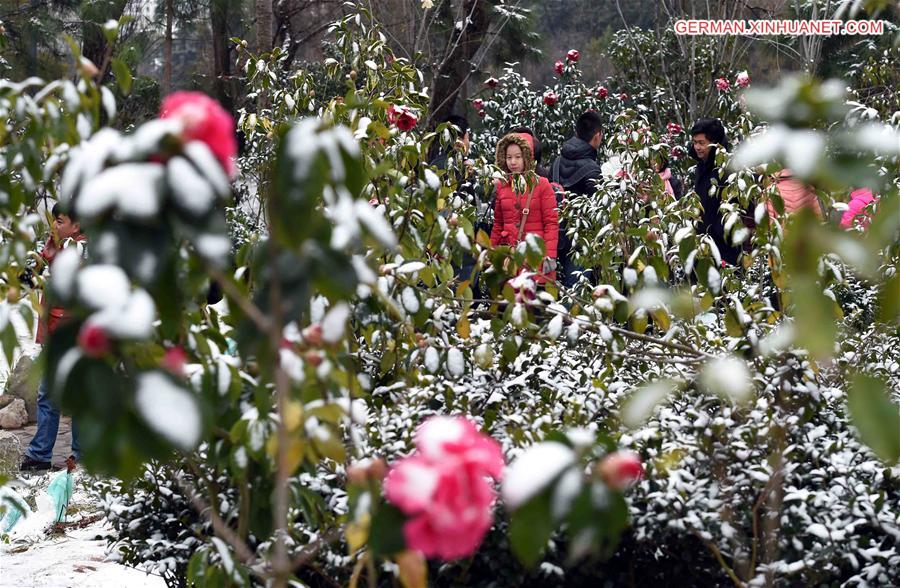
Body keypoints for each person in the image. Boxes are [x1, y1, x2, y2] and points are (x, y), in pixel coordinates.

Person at [20, 204, 86, 471]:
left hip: (74, 332)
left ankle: (80, 455)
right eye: (53, 221)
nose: (54, 226)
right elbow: (34, 274)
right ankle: (41, 454)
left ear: (77, 225)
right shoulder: (54, 245)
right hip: (55, 331)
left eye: (60, 221)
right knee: (50, 395)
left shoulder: (80, 250)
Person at [490, 133, 559, 282]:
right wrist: (492, 251)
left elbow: (551, 224)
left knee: (534, 301)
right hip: (510, 258)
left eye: (518, 157)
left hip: (535, 257)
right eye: (509, 157)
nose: (513, 162)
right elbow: (498, 224)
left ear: (526, 157)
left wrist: (550, 256)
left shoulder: (542, 185)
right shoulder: (502, 187)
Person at [549, 111, 605, 287]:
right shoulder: (592, 170)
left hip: (557, 237)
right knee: (576, 291)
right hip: (581, 240)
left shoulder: (557, 161)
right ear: (597, 136)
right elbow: (600, 209)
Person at [688, 117, 741, 265]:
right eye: (695, 142)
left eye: (701, 143)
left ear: (714, 143)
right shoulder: (702, 167)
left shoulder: (728, 169)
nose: (697, 147)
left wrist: (719, 231)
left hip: (724, 248)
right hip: (703, 244)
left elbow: (735, 207)